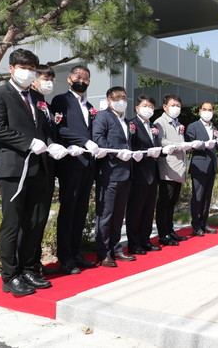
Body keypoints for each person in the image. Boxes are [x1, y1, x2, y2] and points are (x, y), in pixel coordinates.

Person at [0, 49, 58, 295]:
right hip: (14, 170)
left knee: (35, 222)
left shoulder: (36, 97)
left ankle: (27, 269)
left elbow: (43, 129)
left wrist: (51, 143)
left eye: (32, 69)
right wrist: (28, 143)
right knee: (12, 224)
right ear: (11, 68)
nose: (28, 73)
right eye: (23, 68)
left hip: (39, 168)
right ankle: (10, 276)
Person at [50, 65, 100, 275]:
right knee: (68, 209)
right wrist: (83, 141)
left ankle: (76, 252)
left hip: (88, 163)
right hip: (71, 162)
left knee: (81, 210)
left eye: (86, 78)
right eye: (78, 76)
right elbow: (60, 128)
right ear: (70, 79)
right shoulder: (61, 100)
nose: (82, 80)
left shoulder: (90, 106)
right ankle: (65, 257)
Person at [28, 65, 67, 275]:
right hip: (33, 165)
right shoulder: (30, 101)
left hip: (48, 167)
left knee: (41, 217)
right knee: (31, 218)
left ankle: (36, 261)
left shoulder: (47, 105)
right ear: (34, 79)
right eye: (45, 78)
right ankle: (29, 263)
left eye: (51, 79)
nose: (49, 82)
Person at [92, 86, 135, 267]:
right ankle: (103, 253)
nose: (121, 100)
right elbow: (98, 138)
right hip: (109, 172)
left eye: (124, 97)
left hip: (126, 172)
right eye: (117, 97)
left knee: (118, 214)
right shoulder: (103, 116)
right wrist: (118, 151)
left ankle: (116, 248)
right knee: (106, 215)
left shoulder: (126, 120)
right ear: (109, 100)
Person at [126, 95, 164, 255]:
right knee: (136, 209)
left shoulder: (153, 126)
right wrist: (145, 153)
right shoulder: (132, 124)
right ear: (137, 108)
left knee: (148, 209)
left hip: (152, 172)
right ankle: (134, 243)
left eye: (151, 106)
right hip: (138, 172)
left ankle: (145, 240)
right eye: (145, 106)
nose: (148, 109)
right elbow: (130, 145)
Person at [154, 94, 190, 246]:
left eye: (178, 106)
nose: (176, 108)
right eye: (173, 105)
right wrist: (179, 146)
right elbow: (160, 141)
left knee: (172, 202)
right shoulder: (159, 122)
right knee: (164, 202)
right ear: (165, 107)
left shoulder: (178, 124)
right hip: (167, 168)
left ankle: (170, 230)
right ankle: (163, 234)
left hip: (179, 168)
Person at [185, 101, 218, 236]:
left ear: (213, 112)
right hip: (199, 166)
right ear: (200, 111)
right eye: (204, 109)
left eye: (210, 110)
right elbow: (190, 145)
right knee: (198, 196)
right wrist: (204, 145)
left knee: (207, 197)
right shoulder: (193, 126)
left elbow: (214, 147)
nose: (207, 112)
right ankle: (196, 225)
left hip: (211, 166)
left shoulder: (214, 128)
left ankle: (204, 222)